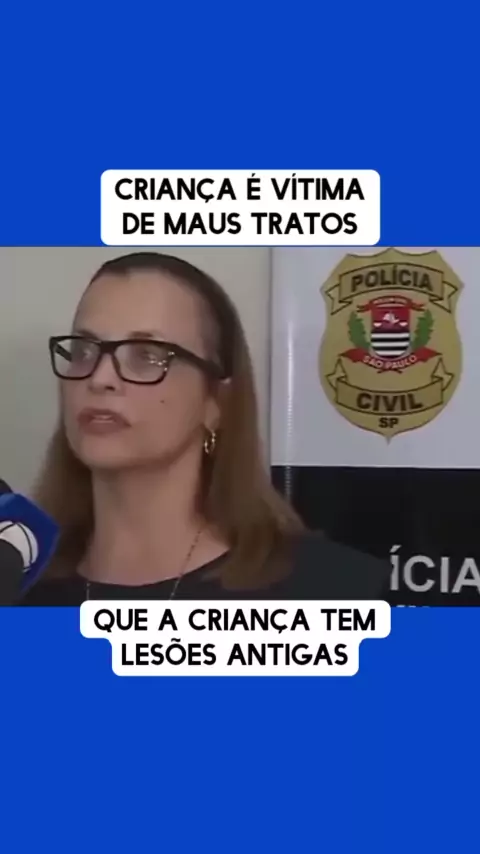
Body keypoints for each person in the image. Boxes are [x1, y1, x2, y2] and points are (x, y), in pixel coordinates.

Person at [22, 252, 389, 605]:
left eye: (147, 355)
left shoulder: (333, 591)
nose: (100, 378)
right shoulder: (19, 585)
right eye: (84, 350)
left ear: (215, 401)